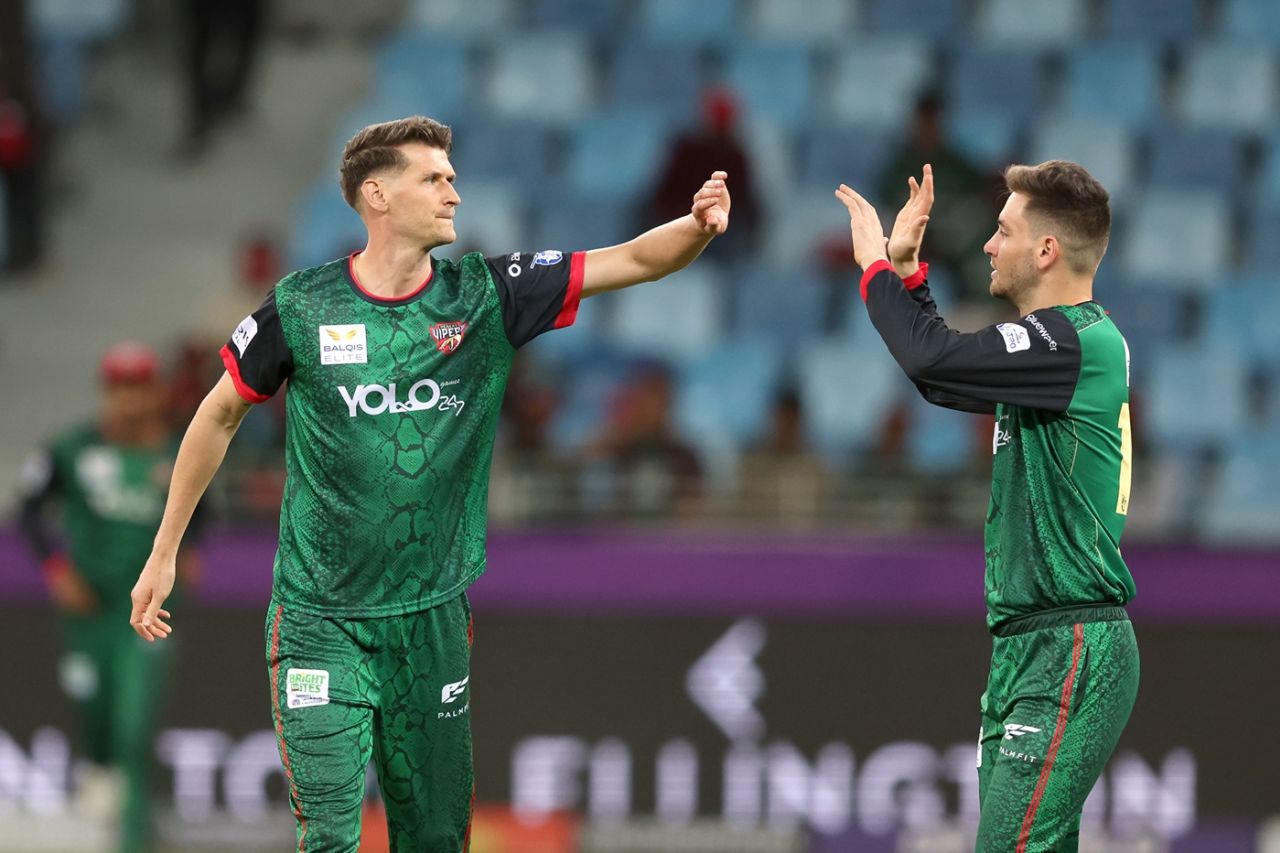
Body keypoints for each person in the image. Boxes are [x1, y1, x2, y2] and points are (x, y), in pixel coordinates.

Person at [128, 115, 731, 852]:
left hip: (432, 622)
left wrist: (697, 229)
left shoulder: (486, 293)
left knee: (436, 838)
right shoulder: (302, 307)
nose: (454, 189)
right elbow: (217, 414)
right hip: (321, 619)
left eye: (451, 175)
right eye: (433, 177)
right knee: (329, 837)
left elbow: (636, 259)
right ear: (377, 195)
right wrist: (164, 549)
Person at [835, 161, 1139, 851]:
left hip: (1070, 645)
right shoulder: (1057, 351)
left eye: (1002, 230)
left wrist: (876, 268)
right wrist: (912, 277)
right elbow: (944, 374)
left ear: (1046, 250)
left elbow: (931, 361)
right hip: (1030, 646)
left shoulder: (1068, 344)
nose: (987, 246)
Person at [18, 342, 200, 852]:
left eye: (138, 387)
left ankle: (133, 840)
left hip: (148, 612)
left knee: (133, 724)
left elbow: (203, 507)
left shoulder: (176, 451)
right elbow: (30, 509)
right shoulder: (73, 448)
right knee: (96, 717)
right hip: (89, 610)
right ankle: (102, 778)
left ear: (156, 391)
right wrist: (56, 570)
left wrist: (192, 553)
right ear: (106, 392)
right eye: (119, 388)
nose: (129, 401)